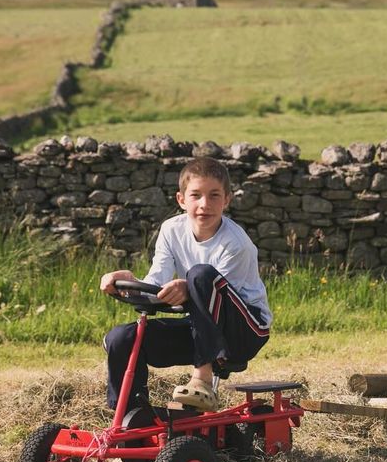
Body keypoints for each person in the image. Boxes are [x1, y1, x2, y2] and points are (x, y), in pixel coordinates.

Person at [99, 156, 272, 412]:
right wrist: (130, 282)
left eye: (214, 196)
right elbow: (156, 284)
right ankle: (130, 414)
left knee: (200, 275)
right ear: (181, 199)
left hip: (244, 331)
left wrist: (188, 288)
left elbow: (219, 298)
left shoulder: (237, 244)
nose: (205, 204)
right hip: (200, 326)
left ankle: (201, 380)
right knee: (121, 338)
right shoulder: (171, 230)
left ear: (227, 200)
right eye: (196, 195)